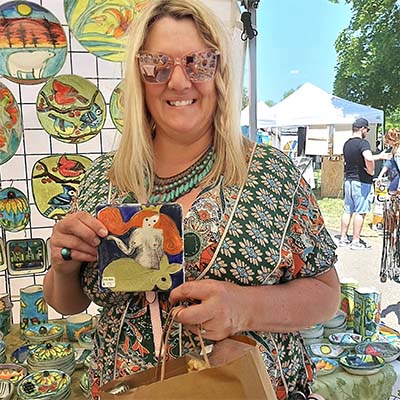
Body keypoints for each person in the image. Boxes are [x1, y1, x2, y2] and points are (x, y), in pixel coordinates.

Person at [43, 1, 340, 399]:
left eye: (199, 62)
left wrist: (244, 306)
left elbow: (326, 294)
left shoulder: (272, 174)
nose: (179, 81)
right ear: (139, 77)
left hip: (243, 388)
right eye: (157, 65)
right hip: (127, 389)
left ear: (220, 73)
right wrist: (62, 265)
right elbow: (67, 303)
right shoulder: (102, 181)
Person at [339, 118, 390, 250]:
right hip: (361, 181)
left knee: (347, 210)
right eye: (366, 130)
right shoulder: (363, 143)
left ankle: (343, 238)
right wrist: (373, 167)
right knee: (360, 212)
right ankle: (356, 241)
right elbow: (368, 157)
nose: (366, 132)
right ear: (362, 129)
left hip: (348, 180)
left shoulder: (347, 144)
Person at [376, 128, 400, 194]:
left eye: (387, 140)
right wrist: (380, 176)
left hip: (397, 179)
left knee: (391, 193)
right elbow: (388, 163)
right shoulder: (394, 150)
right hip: (394, 178)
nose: (387, 142)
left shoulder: (398, 152)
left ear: (391, 140)